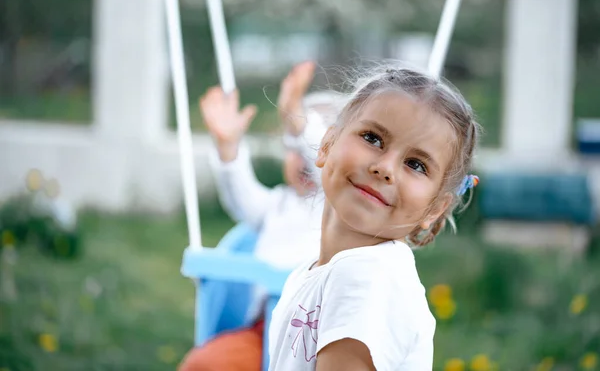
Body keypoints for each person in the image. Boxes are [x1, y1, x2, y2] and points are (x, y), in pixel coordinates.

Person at [268, 67, 481, 370]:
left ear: (434, 209)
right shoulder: (318, 272)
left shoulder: (366, 277)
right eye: (373, 138)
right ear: (327, 145)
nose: (386, 168)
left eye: (416, 165)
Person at [178, 61, 343, 371]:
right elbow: (241, 196)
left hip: (320, 339)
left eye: (308, 148)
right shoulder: (278, 204)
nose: (303, 161)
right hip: (266, 330)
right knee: (206, 364)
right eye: (291, 148)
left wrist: (296, 118)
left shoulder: (339, 210)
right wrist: (228, 148)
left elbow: (332, 169)